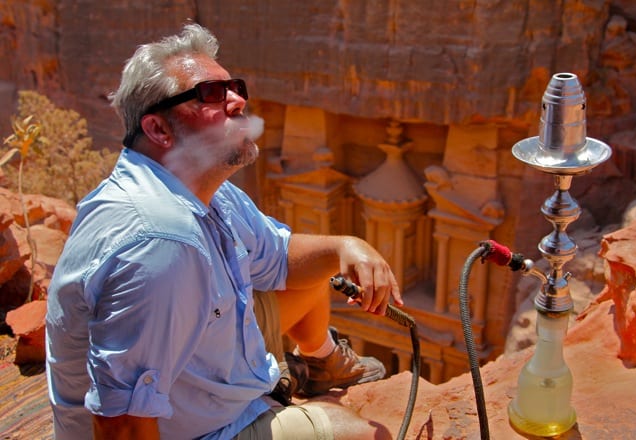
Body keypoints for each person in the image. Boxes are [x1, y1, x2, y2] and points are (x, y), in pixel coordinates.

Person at [45, 23, 403, 440]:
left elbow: (280, 257)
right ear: (158, 130)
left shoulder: (208, 193)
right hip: (194, 430)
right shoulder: (158, 242)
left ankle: (320, 364)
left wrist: (348, 247)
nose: (238, 100)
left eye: (234, 87)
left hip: (201, 378)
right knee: (358, 433)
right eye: (210, 94)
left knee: (313, 276)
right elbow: (121, 422)